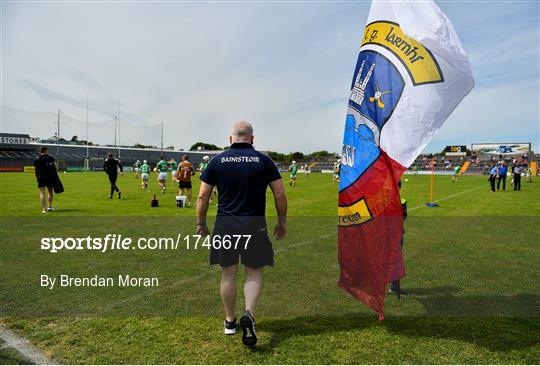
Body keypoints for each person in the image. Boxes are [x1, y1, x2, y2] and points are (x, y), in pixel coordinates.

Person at [196, 121, 287, 347]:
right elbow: (280, 195)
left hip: (225, 225)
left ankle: (229, 321)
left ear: (230, 139)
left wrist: (200, 223)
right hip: (255, 225)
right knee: (254, 272)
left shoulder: (217, 161)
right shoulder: (264, 161)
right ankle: (248, 313)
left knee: (227, 274)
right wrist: (282, 221)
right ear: (252, 139)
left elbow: (202, 197)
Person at [389, 179, 408, 298]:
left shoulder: (402, 201)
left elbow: (403, 216)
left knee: (396, 260)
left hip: (396, 234)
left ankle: (394, 287)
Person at [33, 146, 57, 213]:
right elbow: (55, 167)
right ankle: (50, 206)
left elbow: (35, 169)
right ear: (46, 150)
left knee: (42, 193)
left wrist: (36, 177)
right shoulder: (50, 158)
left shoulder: (37, 158)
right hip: (49, 177)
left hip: (40, 177)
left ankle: (44, 209)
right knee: (50, 191)